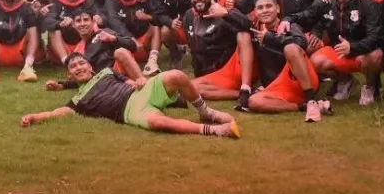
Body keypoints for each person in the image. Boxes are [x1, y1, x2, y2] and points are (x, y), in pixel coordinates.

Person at [23, 54, 239, 138]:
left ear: (90, 67)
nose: (79, 67)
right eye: (73, 67)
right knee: (157, 122)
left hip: (138, 92)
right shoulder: (78, 101)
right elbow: (56, 112)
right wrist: (33, 117)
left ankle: (205, 112)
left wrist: (138, 81)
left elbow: (128, 81)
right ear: (69, 74)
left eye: (82, 63)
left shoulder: (107, 72)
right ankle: (215, 130)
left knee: (176, 75)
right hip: (130, 111)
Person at [283, 0, 384, 106]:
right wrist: (288, 19)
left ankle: (370, 87)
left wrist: (353, 47)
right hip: (338, 51)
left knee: (376, 55)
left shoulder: (367, 4)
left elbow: (375, 37)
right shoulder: (326, 0)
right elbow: (308, 15)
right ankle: (345, 80)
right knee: (315, 61)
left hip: (362, 52)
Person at [242, 0, 327, 120]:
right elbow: (238, 22)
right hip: (280, 86)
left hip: (300, 80)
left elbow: (301, 42)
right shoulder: (256, 30)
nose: (265, 10)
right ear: (255, 12)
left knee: (291, 47)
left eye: (269, 6)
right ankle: (303, 107)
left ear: (277, 9)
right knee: (254, 102)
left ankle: (311, 99)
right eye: (260, 8)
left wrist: (271, 38)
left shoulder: (288, 25)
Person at [184, 0, 257, 108]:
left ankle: (245, 89)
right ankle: (242, 94)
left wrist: (227, 14)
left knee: (243, 35)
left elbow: (250, 27)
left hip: (231, 68)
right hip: (212, 74)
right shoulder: (189, 16)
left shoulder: (224, 11)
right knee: (190, 88)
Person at [148, 0, 206, 69]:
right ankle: (175, 54)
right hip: (176, 26)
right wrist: (170, 22)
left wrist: (191, 16)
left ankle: (199, 53)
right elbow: (158, 14)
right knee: (164, 31)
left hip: (195, 20)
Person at [104, 0, 161, 76]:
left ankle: (152, 62)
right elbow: (114, 22)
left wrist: (147, 16)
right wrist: (131, 39)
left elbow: (158, 16)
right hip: (125, 43)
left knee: (155, 27)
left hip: (143, 42)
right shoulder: (111, 0)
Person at [42, 0, 102, 64]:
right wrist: (60, 24)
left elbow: (101, 16)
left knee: (94, 24)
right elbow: (47, 22)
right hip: (61, 47)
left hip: (83, 44)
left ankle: (88, 55)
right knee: (54, 30)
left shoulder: (89, 2)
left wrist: (99, 18)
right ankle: (65, 61)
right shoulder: (55, 3)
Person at [59, 10, 143, 73]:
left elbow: (133, 46)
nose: (82, 24)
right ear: (73, 25)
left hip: (120, 76)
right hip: (102, 82)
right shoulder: (78, 49)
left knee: (121, 52)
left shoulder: (105, 33)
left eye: (86, 20)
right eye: (78, 21)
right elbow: (80, 76)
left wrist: (113, 38)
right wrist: (62, 85)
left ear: (93, 22)